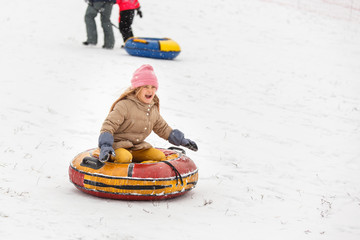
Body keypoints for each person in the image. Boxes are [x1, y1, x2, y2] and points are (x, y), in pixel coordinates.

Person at [97, 64, 198, 163]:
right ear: (137, 88)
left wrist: (182, 140)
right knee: (124, 157)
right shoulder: (124, 105)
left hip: (137, 147)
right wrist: (106, 145)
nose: (150, 90)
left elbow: (163, 129)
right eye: (146, 87)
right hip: (117, 147)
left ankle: (145, 177)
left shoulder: (152, 109)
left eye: (153, 87)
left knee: (159, 156)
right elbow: (109, 125)